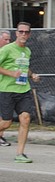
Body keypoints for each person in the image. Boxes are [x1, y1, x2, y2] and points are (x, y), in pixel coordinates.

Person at [0, 23, 40, 162]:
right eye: (21, 31)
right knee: (6, 123)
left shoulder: (27, 51)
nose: (24, 34)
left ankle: (20, 154)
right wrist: (11, 73)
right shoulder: (7, 49)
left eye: (26, 32)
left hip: (23, 89)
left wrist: (32, 74)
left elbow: (25, 68)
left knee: (25, 119)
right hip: (7, 90)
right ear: (16, 33)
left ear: (29, 34)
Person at [0, 30, 12, 147]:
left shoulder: (9, 51)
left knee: (4, 115)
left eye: (9, 39)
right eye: (5, 39)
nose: (8, 42)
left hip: (5, 87)